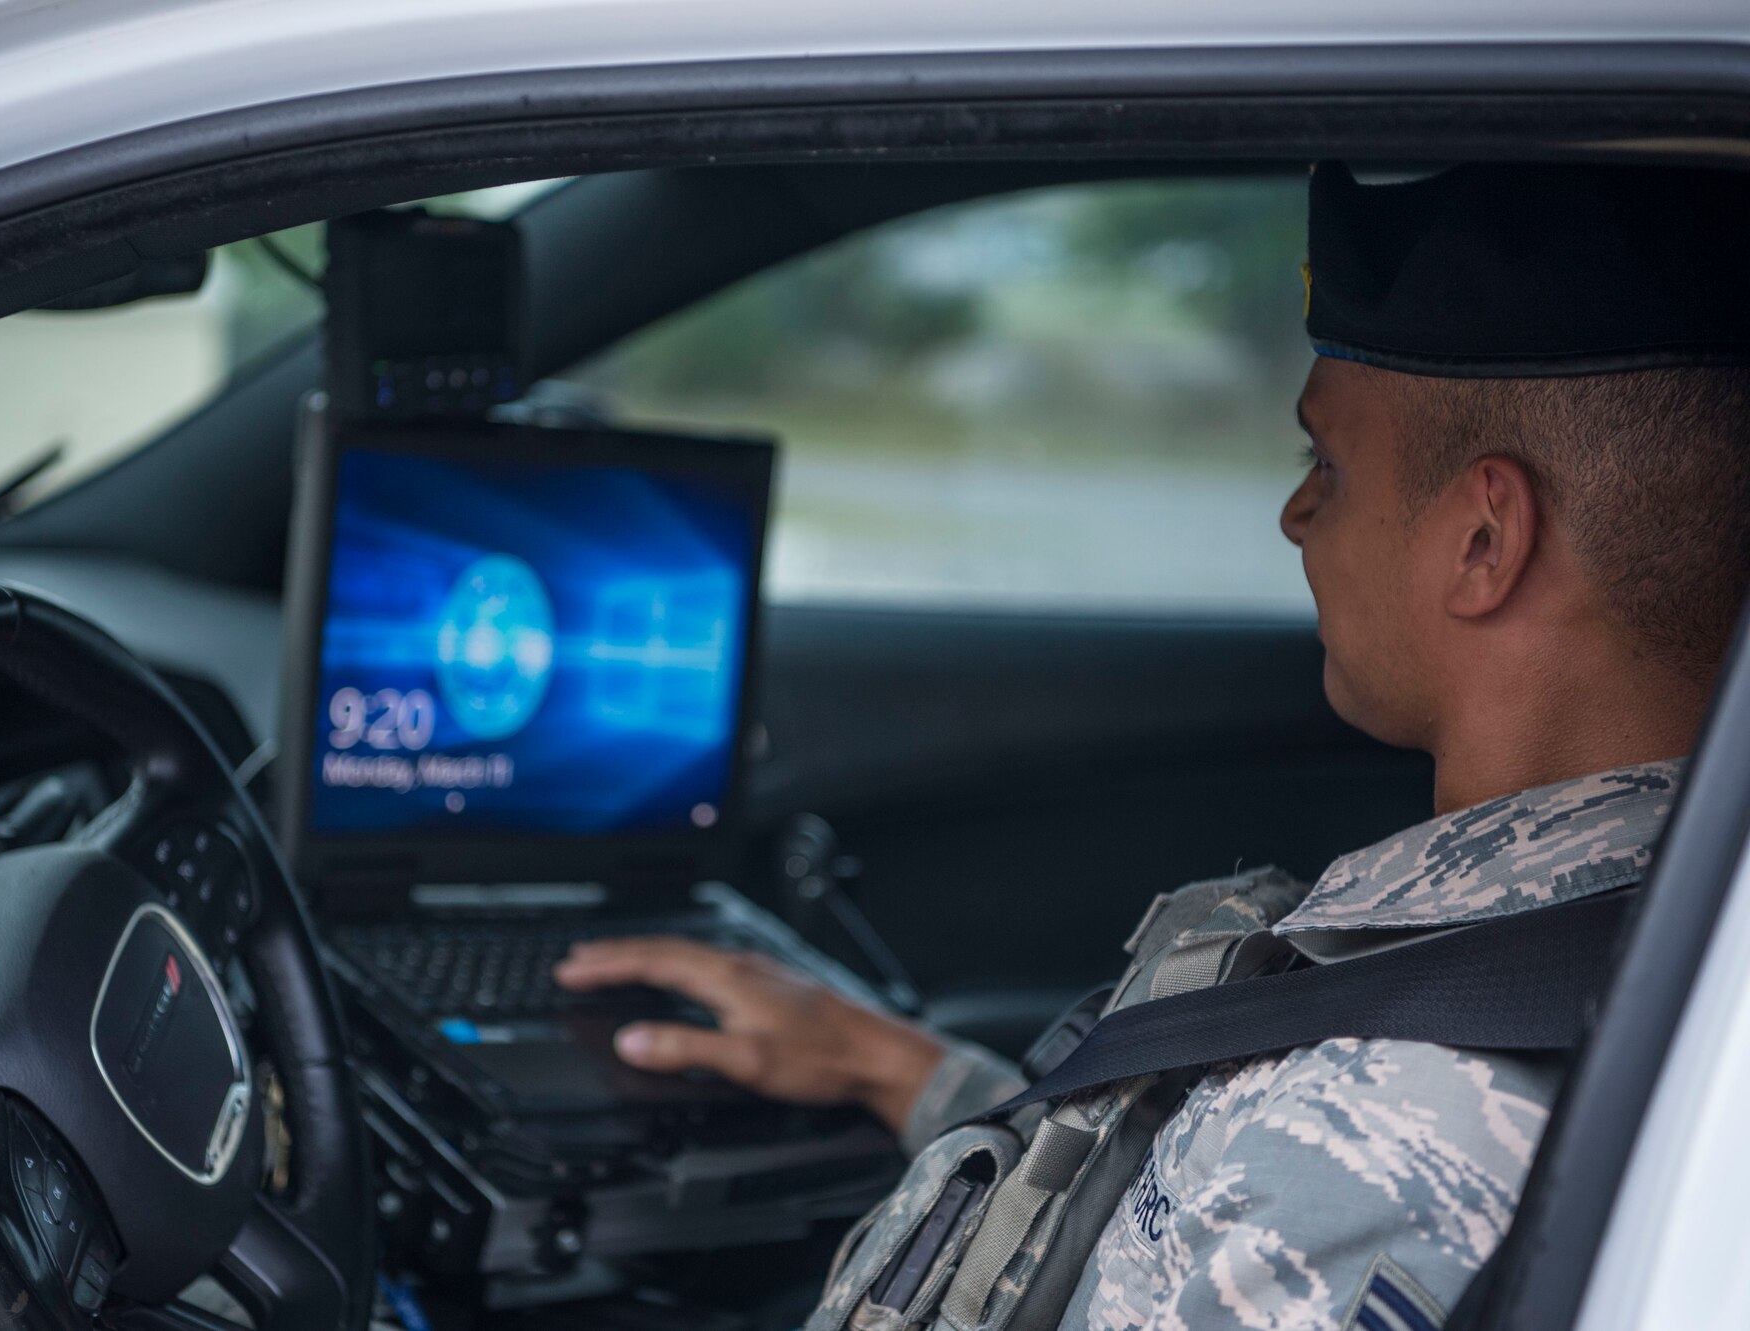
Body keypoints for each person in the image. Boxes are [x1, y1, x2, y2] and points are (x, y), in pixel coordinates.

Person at [557, 161, 1750, 1329]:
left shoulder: (1357, 1147)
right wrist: (900, 1070)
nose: (1293, 512)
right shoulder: (1653, 940)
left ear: (1483, 542)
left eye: (1321, 463)